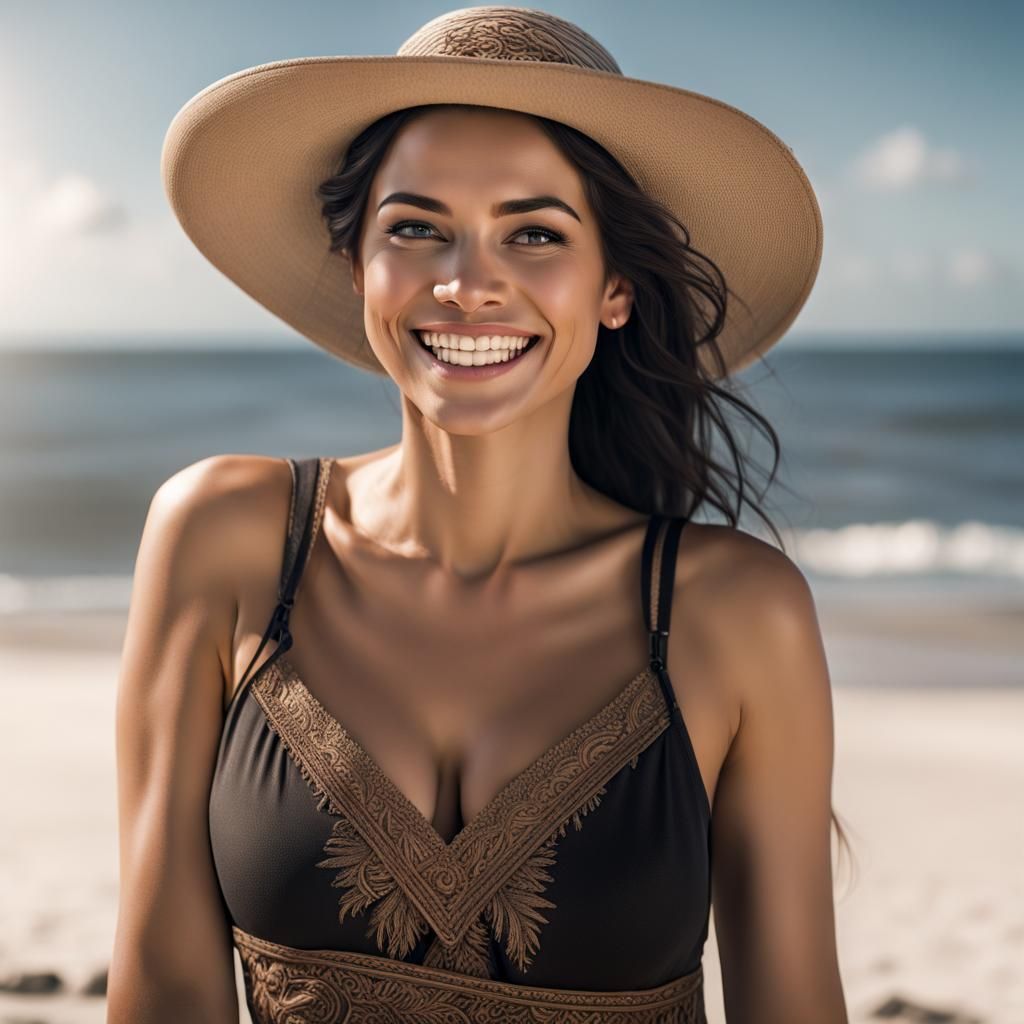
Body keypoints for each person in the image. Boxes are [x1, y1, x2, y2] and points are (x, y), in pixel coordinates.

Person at [107, 6, 849, 1022]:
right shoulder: (225, 537)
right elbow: (161, 989)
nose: (465, 285)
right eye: (415, 228)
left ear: (616, 287)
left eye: (534, 233)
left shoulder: (733, 611)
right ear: (356, 263)